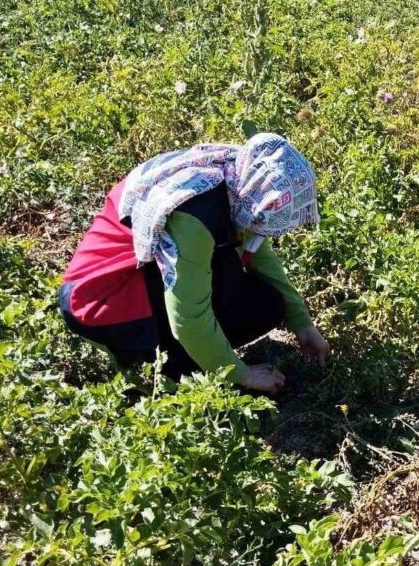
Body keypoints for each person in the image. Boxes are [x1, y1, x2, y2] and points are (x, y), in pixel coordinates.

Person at [58, 132, 329, 394]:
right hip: (99, 303)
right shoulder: (195, 215)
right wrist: (243, 374)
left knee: (268, 303)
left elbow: (258, 250)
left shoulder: (239, 180)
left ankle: (192, 356)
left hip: (134, 281)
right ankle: (168, 369)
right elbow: (188, 320)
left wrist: (301, 322)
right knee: (227, 284)